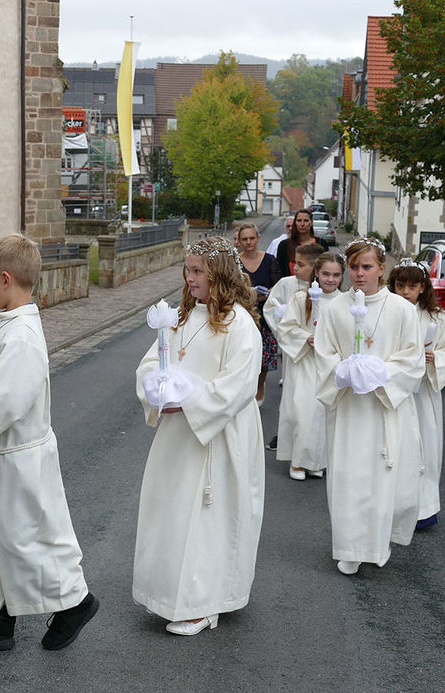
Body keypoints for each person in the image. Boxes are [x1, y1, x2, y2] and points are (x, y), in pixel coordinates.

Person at [0, 234, 98, 652]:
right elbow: (6, 387)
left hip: (18, 459)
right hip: (8, 455)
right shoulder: (13, 324)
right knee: (0, 542)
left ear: (6, 279)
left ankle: (75, 603)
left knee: (27, 543)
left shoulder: (22, 335)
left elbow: (5, 403)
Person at [133, 237, 265, 636]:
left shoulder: (239, 324)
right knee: (173, 513)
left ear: (219, 274)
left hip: (220, 436)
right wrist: (156, 388)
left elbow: (238, 386)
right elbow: (152, 361)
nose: (189, 279)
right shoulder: (179, 318)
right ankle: (171, 593)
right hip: (178, 435)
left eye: (197, 271)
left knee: (210, 516)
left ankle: (204, 602)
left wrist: (187, 398)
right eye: (187, 271)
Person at [314, 238, 424, 576]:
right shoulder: (333, 309)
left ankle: (376, 540)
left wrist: (380, 374)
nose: (359, 274)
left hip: (384, 407)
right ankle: (350, 546)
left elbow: (413, 360)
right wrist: (344, 371)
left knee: (381, 476)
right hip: (349, 408)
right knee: (349, 476)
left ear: (381, 269)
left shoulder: (402, 310)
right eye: (354, 267)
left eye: (367, 267)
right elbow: (325, 353)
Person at [389, 258, 445, 529]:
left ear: (423, 287)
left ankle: (423, 508)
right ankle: (393, 507)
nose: (406, 291)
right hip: (396, 391)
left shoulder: (437, 317)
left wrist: (435, 359)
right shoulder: (388, 312)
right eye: (400, 285)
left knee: (425, 449)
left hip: (422, 394)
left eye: (412, 286)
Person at [277, 252, 345, 479]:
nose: (330, 279)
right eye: (326, 273)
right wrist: (306, 338)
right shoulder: (300, 298)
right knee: (303, 411)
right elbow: (285, 328)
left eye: (336, 275)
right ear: (316, 272)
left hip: (330, 365)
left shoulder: (345, 302)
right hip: (305, 362)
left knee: (323, 413)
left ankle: (316, 461)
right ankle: (298, 461)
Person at [262, 243, 322, 453]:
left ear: (315, 267)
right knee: (293, 400)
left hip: (318, 355)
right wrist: (283, 325)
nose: (295, 268)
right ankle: (289, 440)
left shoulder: (326, 288)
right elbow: (270, 307)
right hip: (295, 351)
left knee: (315, 404)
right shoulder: (286, 284)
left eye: (301, 264)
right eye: (295, 263)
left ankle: (313, 447)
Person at [238, 222, 282, 403]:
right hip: (242, 316)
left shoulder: (270, 259)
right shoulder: (235, 261)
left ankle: (259, 389)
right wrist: (249, 294)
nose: (248, 242)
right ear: (239, 241)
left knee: (263, 360)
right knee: (242, 359)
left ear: (258, 239)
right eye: (244, 239)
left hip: (264, 317)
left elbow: (278, 286)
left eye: (251, 238)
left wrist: (267, 294)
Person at [274, 208, 329, 278]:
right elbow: (280, 270)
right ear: (295, 223)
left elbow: (326, 268)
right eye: (299, 220)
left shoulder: (321, 243)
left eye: (306, 221)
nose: (302, 224)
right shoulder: (284, 245)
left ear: (311, 223)